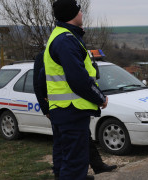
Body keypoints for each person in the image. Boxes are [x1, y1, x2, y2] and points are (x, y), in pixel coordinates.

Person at [43, 0, 109, 179]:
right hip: (72, 110)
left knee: (65, 158)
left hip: (63, 110)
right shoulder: (66, 40)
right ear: (73, 14)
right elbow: (78, 79)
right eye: (79, 11)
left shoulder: (61, 36)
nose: (82, 13)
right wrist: (100, 97)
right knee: (75, 163)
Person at [33, 51, 117, 178]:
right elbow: (38, 84)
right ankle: (61, 173)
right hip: (59, 108)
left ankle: (97, 166)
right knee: (63, 144)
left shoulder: (68, 53)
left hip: (73, 107)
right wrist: (46, 109)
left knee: (84, 138)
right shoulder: (46, 56)